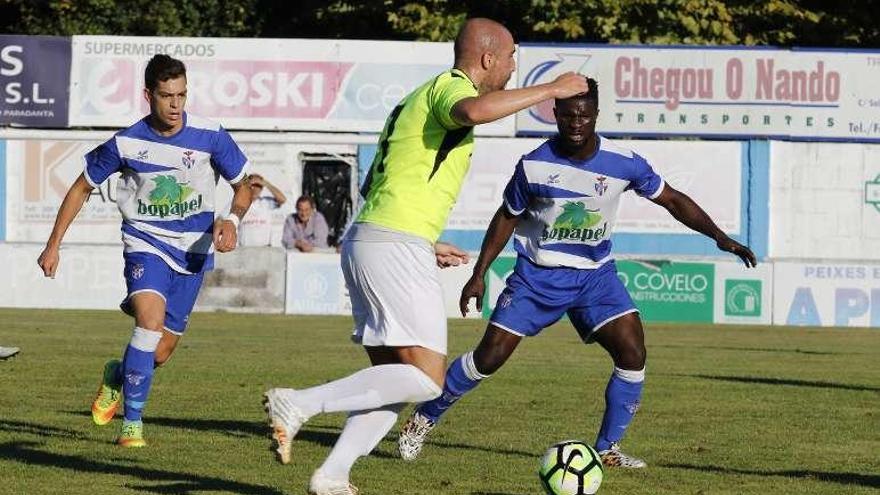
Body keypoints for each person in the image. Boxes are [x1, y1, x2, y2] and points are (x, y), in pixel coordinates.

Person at [261, 17, 589, 495]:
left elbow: (385, 180)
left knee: (394, 380)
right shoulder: (450, 88)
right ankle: (301, 402)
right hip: (391, 242)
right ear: (488, 58)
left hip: (382, 236)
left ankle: (332, 476)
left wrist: (423, 240)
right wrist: (551, 89)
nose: (515, 68)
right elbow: (475, 111)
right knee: (427, 378)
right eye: (513, 57)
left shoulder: (417, 101)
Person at [397, 78, 758, 469]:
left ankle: (607, 449)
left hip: (595, 278)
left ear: (596, 115)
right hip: (537, 277)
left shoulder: (625, 162)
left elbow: (672, 200)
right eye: (568, 116)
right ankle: (424, 417)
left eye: (584, 116)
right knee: (489, 357)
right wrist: (480, 273)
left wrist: (720, 237)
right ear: (555, 115)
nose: (576, 123)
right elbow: (506, 217)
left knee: (632, 350)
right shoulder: (534, 164)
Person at [37, 54, 251, 448]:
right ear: (147, 95)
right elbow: (81, 187)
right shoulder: (126, 142)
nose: (176, 105)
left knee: (161, 352)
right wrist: (54, 245)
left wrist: (233, 221)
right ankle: (132, 426)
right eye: (167, 96)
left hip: (193, 252)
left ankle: (117, 375)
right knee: (149, 325)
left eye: (182, 95)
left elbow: (245, 185)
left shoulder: (211, 135)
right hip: (145, 242)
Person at [238, 173, 287, 247]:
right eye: (252, 185)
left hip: (265, 248)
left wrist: (266, 184)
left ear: (262, 188)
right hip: (244, 249)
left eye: (258, 186)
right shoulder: (239, 201)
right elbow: (221, 217)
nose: (255, 189)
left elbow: (282, 199)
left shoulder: (266, 202)